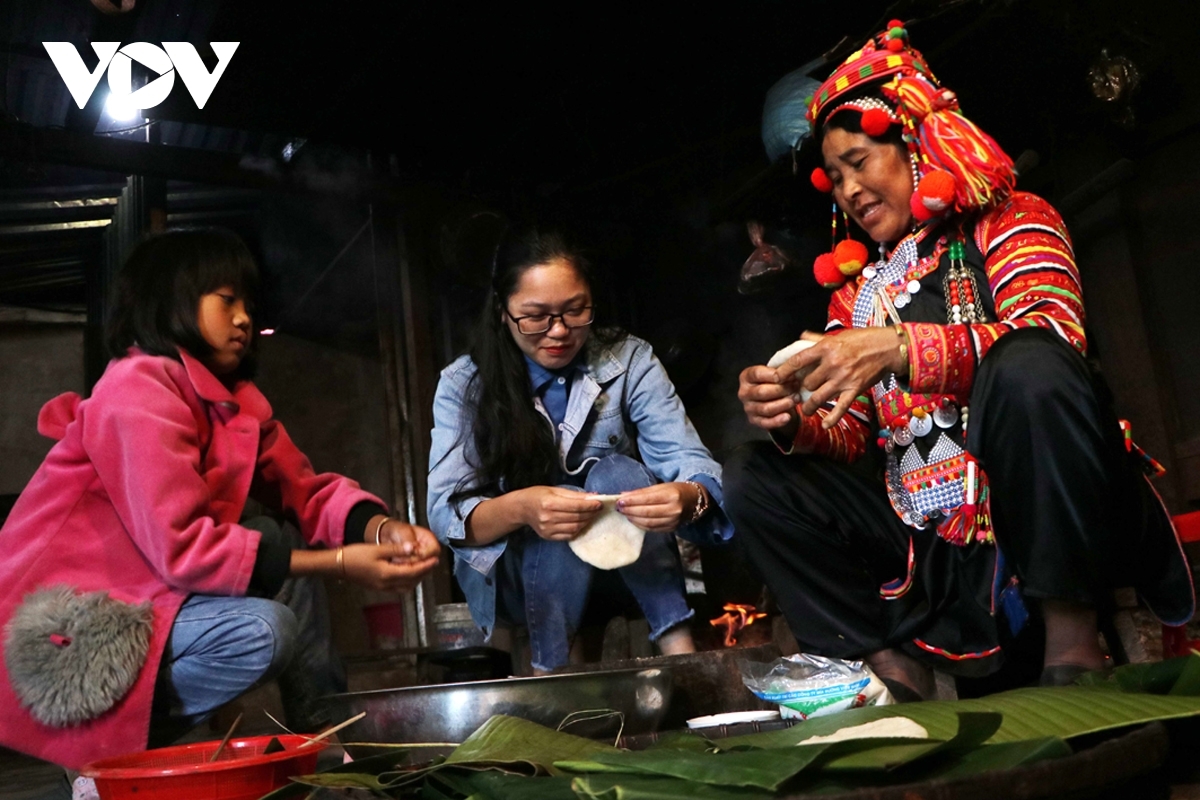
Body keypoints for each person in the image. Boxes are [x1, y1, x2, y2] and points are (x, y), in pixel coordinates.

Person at [726, 24, 1193, 700]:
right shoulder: (856, 293)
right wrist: (793, 416)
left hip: (1042, 508)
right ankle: (890, 666)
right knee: (753, 477)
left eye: (860, 161)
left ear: (915, 144)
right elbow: (851, 432)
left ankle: (1071, 638)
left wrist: (896, 347)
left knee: (1029, 362)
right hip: (927, 538)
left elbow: (1056, 338)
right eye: (837, 176)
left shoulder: (1011, 220)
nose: (848, 189)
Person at [0, 228, 441, 771]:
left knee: (281, 547)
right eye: (227, 300)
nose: (244, 319)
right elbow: (182, 548)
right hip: (72, 627)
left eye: (247, 304)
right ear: (172, 301)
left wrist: (379, 528)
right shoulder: (136, 389)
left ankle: (329, 747)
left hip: (149, 597)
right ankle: (107, 752)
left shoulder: (230, 402)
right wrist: (341, 563)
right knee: (264, 630)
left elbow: (303, 488)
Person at [427, 228, 733, 674]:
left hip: (626, 563)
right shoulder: (464, 384)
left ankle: (684, 656)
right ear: (502, 312)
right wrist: (525, 507)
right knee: (558, 510)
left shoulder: (629, 359)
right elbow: (446, 515)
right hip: (521, 578)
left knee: (618, 477)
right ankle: (554, 674)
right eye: (535, 316)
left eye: (575, 310)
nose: (559, 331)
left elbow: (692, 462)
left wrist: (688, 496)